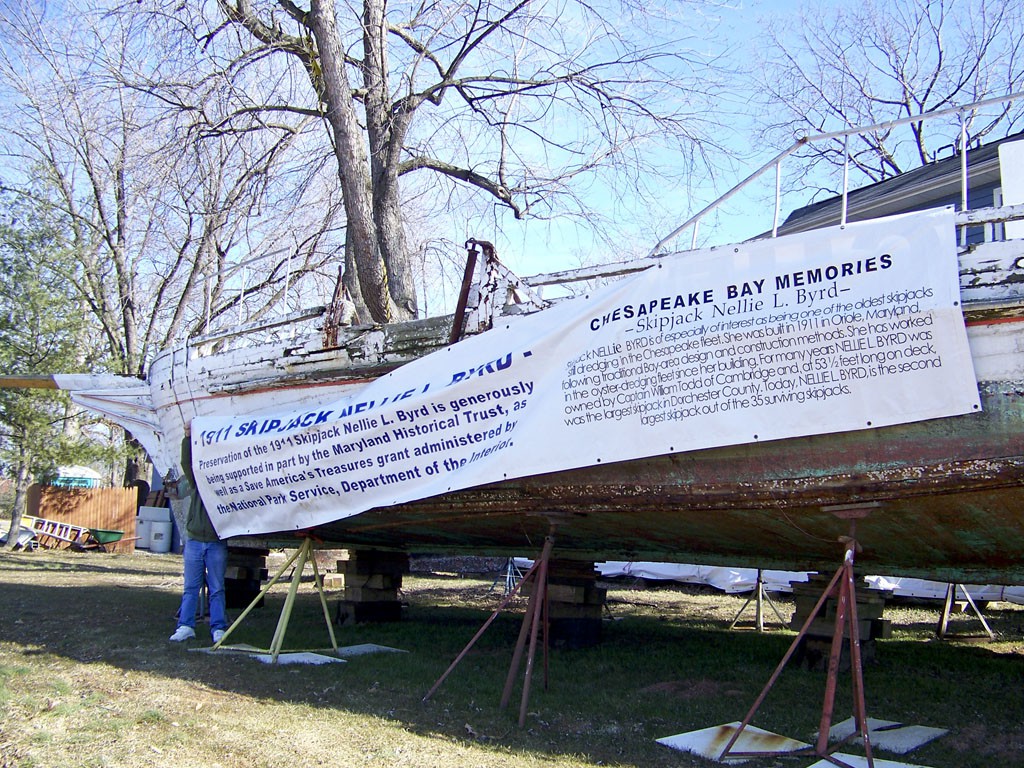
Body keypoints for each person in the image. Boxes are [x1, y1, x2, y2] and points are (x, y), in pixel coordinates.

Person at [167, 424, 229, 643]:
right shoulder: (198, 482)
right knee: (190, 587)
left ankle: (218, 627)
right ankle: (186, 626)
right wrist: (187, 438)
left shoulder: (226, 485)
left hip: (216, 542)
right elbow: (187, 463)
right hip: (194, 540)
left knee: (217, 587)